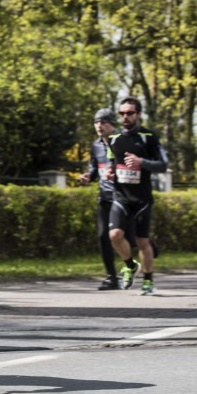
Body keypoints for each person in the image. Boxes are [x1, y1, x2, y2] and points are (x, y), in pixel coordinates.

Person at [106, 96, 167, 295]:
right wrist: (110, 172)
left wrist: (142, 162)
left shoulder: (149, 137)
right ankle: (130, 265)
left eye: (130, 113)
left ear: (138, 114)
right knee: (114, 235)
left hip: (142, 199)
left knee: (142, 241)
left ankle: (148, 280)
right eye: (122, 113)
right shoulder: (113, 138)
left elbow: (163, 165)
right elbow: (112, 162)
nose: (125, 117)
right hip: (121, 196)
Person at [79, 108, 121, 290]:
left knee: (130, 238)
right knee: (103, 235)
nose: (99, 126)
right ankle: (111, 277)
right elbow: (95, 170)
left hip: (124, 197)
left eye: (103, 122)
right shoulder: (96, 146)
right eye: (97, 122)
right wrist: (88, 176)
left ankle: (147, 243)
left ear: (112, 124)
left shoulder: (123, 142)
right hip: (105, 197)